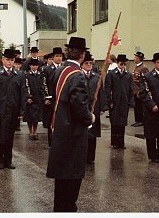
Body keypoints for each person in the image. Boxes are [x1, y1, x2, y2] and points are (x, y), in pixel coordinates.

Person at [46, 37, 94, 212]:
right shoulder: (77, 75)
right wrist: (90, 118)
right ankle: (68, 208)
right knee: (72, 173)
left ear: (68, 53)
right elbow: (79, 106)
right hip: (73, 131)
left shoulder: (60, 70)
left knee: (61, 174)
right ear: (82, 55)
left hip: (59, 126)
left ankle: (60, 207)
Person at [0, 48, 25, 169]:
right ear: (3, 60)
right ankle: (0, 160)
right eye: (7, 60)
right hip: (0, 110)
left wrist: (21, 110)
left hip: (13, 110)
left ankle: (8, 160)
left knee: (10, 136)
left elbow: (23, 94)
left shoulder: (19, 74)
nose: (10, 62)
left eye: (12, 60)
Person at [105, 54, 134, 149]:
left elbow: (131, 89)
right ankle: (114, 142)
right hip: (115, 101)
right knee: (114, 122)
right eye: (121, 63)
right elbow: (108, 89)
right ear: (117, 63)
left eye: (124, 63)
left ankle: (121, 142)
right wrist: (109, 101)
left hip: (124, 102)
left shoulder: (128, 75)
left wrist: (131, 101)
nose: (123, 65)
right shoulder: (111, 74)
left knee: (122, 122)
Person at [81, 51, 105, 164]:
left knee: (92, 134)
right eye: (86, 63)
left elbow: (101, 92)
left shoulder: (96, 77)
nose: (89, 65)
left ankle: (90, 157)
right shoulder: (78, 76)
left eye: (90, 63)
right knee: (82, 133)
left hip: (94, 107)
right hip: (82, 107)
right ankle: (81, 156)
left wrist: (102, 107)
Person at [42, 47, 64, 146]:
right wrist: (46, 97)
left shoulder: (65, 68)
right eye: (57, 56)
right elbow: (43, 84)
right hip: (51, 99)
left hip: (62, 99)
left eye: (60, 56)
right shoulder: (47, 69)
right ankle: (51, 142)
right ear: (53, 57)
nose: (59, 58)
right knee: (51, 120)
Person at [24, 58, 50, 140]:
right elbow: (26, 86)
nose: (34, 67)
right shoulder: (27, 75)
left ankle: (35, 132)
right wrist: (28, 97)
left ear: (38, 66)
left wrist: (45, 97)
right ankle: (30, 132)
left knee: (36, 117)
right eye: (32, 65)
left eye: (35, 65)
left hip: (38, 98)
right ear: (30, 66)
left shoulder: (41, 75)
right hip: (31, 98)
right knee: (29, 117)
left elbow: (44, 86)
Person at [131, 51, 149, 127]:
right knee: (136, 106)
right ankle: (137, 120)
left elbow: (145, 80)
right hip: (135, 90)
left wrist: (141, 90)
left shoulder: (143, 68)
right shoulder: (136, 67)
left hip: (139, 90)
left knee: (140, 106)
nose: (134, 59)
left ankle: (141, 120)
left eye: (135, 57)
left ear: (139, 58)